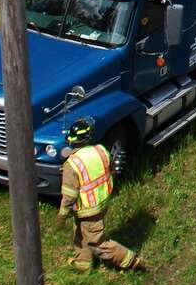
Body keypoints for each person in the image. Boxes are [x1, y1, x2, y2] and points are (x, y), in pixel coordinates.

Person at [58, 117, 145, 272]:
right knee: (80, 231)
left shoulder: (72, 164)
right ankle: (83, 263)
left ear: (71, 141)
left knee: (95, 242)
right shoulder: (101, 150)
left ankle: (130, 260)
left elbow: (69, 196)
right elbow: (110, 169)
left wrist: (62, 215)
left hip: (89, 208)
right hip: (102, 201)